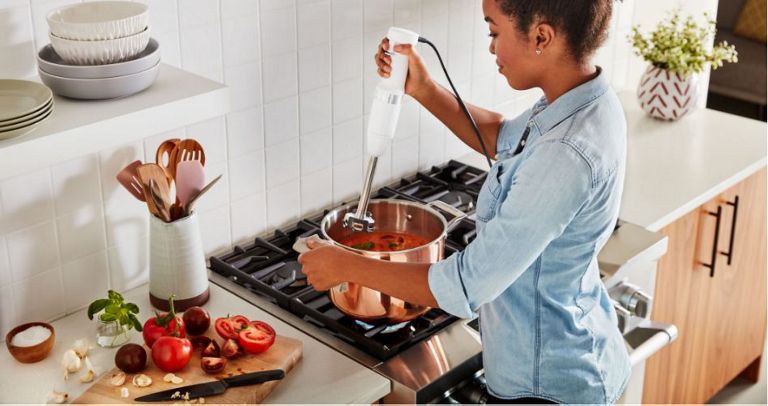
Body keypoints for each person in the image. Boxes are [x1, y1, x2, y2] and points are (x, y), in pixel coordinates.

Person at [297, 0, 630, 403]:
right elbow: (502, 138)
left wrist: (346, 265)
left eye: (494, 32)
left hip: (549, 387)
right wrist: (422, 87)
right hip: (565, 352)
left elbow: (467, 285)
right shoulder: (580, 99)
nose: (491, 48)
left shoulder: (566, 152)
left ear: (541, 36)